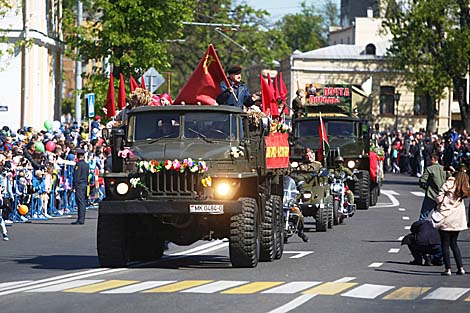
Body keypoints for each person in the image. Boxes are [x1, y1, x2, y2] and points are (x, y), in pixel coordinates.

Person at [434, 171, 469, 276]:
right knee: (454, 243)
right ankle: (461, 267)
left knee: (445, 244)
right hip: (457, 220)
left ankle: (448, 268)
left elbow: (439, 199)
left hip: (446, 217)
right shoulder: (463, 187)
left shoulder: (448, 184)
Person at [419, 153, 449, 220]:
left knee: (424, 215)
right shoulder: (445, 168)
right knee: (439, 215)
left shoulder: (429, 169)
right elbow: (451, 177)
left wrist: (426, 187)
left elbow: (422, 181)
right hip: (442, 195)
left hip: (431, 194)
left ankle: (422, 229)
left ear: (432, 159)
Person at [72, 149, 89, 225]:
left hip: (79, 185)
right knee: (82, 202)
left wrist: (74, 185)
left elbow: (76, 176)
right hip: (84, 184)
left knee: (80, 202)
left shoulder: (78, 165)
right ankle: (81, 218)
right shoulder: (86, 164)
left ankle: (80, 219)